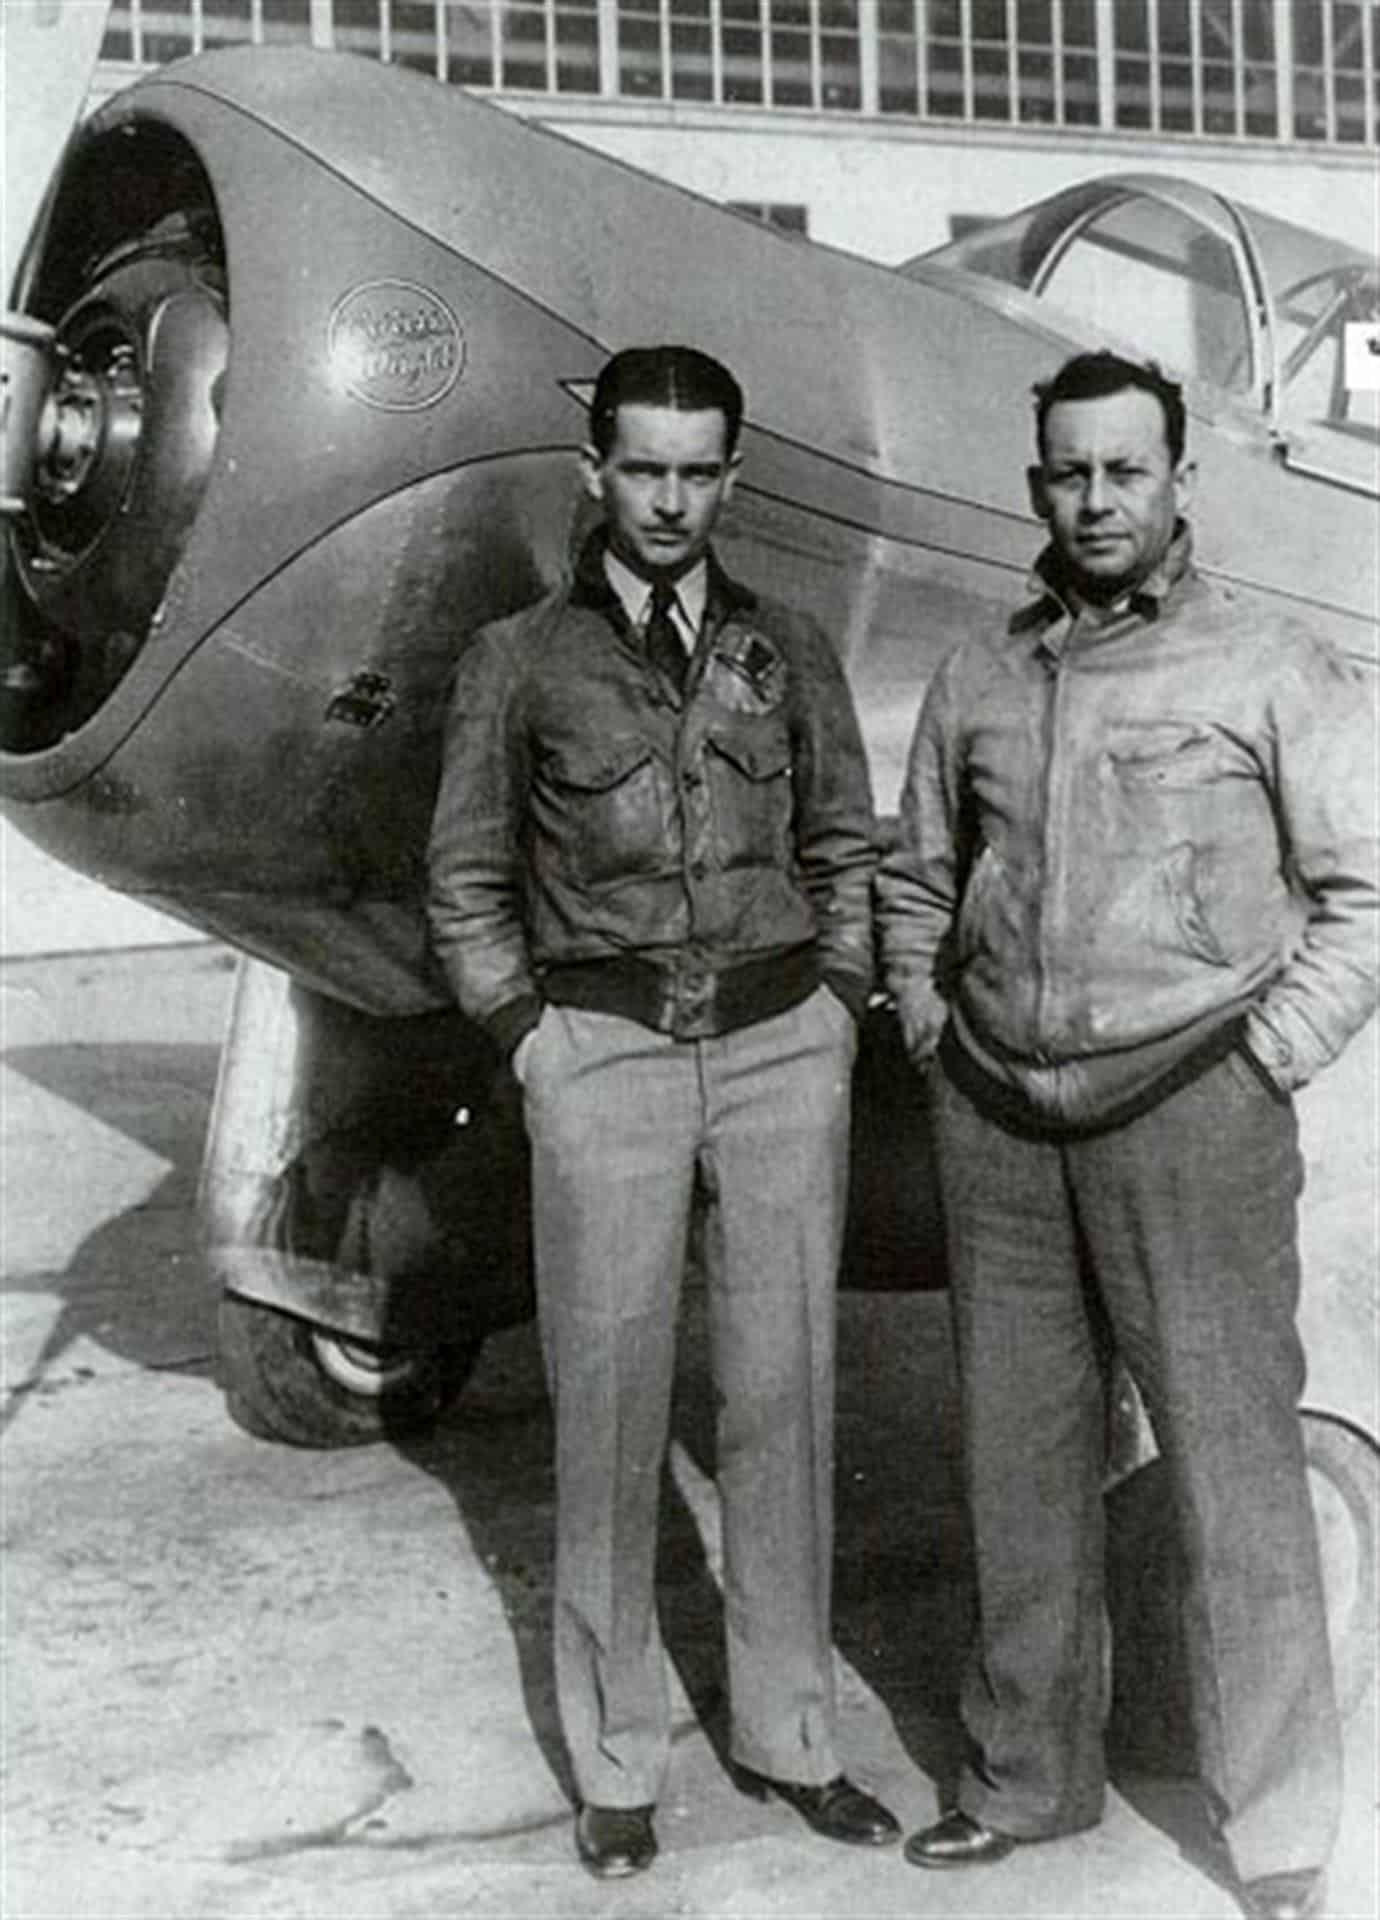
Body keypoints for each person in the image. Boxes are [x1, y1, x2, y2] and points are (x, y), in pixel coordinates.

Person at [876, 349, 1378, 1920]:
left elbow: (1364, 899)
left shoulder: (1269, 667)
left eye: (1126, 471)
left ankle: (1283, 1831)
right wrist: (926, 1027)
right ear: (1038, 490)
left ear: (1179, 485)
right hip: (1004, 1126)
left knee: (1235, 1482)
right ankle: (1026, 1779)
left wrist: (1267, 1061)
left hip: (1194, 1121)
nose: (1097, 499)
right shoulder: (977, 672)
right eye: (1069, 474)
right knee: (1016, 1472)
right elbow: (913, 882)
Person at [426, 345, 897, 1878]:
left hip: (778, 1056)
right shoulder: (519, 661)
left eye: (701, 473)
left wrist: (831, 1011)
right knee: (612, 1417)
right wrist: (534, 1048)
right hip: (604, 1062)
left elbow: (845, 846)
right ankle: (619, 1760)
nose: (673, 501)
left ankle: (792, 1736)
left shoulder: (792, 647)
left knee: (783, 1401)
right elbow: (466, 884)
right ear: (595, 473)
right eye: (646, 470)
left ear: (733, 482)